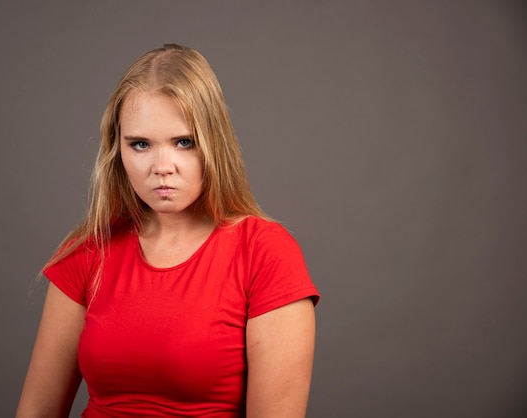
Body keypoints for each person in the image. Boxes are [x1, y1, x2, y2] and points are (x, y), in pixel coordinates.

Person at [16, 43, 320, 418]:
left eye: (183, 142)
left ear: (214, 143)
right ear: (117, 149)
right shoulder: (89, 249)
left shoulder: (266, 253)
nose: (162, 166)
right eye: (140, 144)